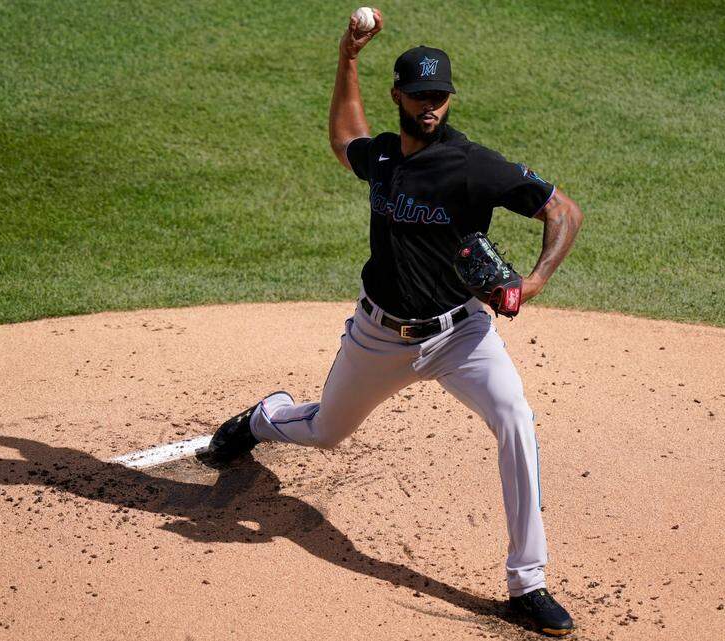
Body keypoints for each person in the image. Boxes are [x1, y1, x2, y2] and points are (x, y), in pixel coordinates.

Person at [200, 8, 583, 637]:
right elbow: (343, 139)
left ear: (449, 99)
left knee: (515, 419)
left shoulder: (471, 165)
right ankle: (262, 419)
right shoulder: (382, 159)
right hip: (378, 335)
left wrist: (533, 283)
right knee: (326, 429)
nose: (431, 106)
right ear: (399, 96)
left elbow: (563, 211)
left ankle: (528, 582)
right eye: (420, 95)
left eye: (440, 96)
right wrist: (348, 57)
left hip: (460, 334)